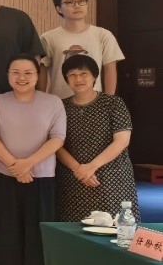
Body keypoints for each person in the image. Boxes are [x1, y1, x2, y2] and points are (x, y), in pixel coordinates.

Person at [0, 54, 65, 265]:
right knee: (7, 228)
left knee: (37, 228)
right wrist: (14, 166)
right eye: (15, 72)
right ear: (7, 75)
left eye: (28, 72)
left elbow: (57, 138)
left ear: (38, 76)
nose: (22, 77)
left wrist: (27, 164)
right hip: (3, 175)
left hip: (41, 176)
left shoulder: (52, 102)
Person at [55, 55, 139, 222]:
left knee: (116, 226)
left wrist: (91, 167)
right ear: (66, 79)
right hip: (73, 177)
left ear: (94, 76)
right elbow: (55, 144)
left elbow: (122, 140)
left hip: (112, 177)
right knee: (72, 227)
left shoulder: (113, 103)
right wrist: (79, 170)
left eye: (84, 73)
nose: (78, 79)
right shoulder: (59, 106)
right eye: (72, 75)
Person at [39, 0, 125, 100]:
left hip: (94, 103)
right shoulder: (48, 38)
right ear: (58, 8)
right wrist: (41, 100)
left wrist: (109, 101)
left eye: (81, 1)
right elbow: (42, 71)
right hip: (59, 101)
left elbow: (110, 68)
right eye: (70, 2)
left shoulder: (103, 35)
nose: (77, 6)